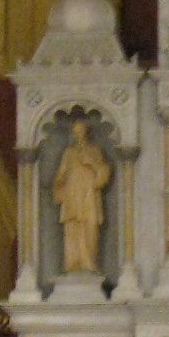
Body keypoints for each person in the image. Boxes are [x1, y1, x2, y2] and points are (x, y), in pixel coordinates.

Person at [53, 117, 112, 274]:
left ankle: (89, 263)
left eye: (81, 130)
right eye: (76, 131)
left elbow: (104, 172)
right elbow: (61, 173)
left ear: (86, 131)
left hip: (89, 195)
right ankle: (72, 263)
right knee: (72, 228)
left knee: (90, 228)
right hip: (72, 195)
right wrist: (59, 184)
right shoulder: (69, 152)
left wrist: (92, 163)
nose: (78, 134)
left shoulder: (95, 150)